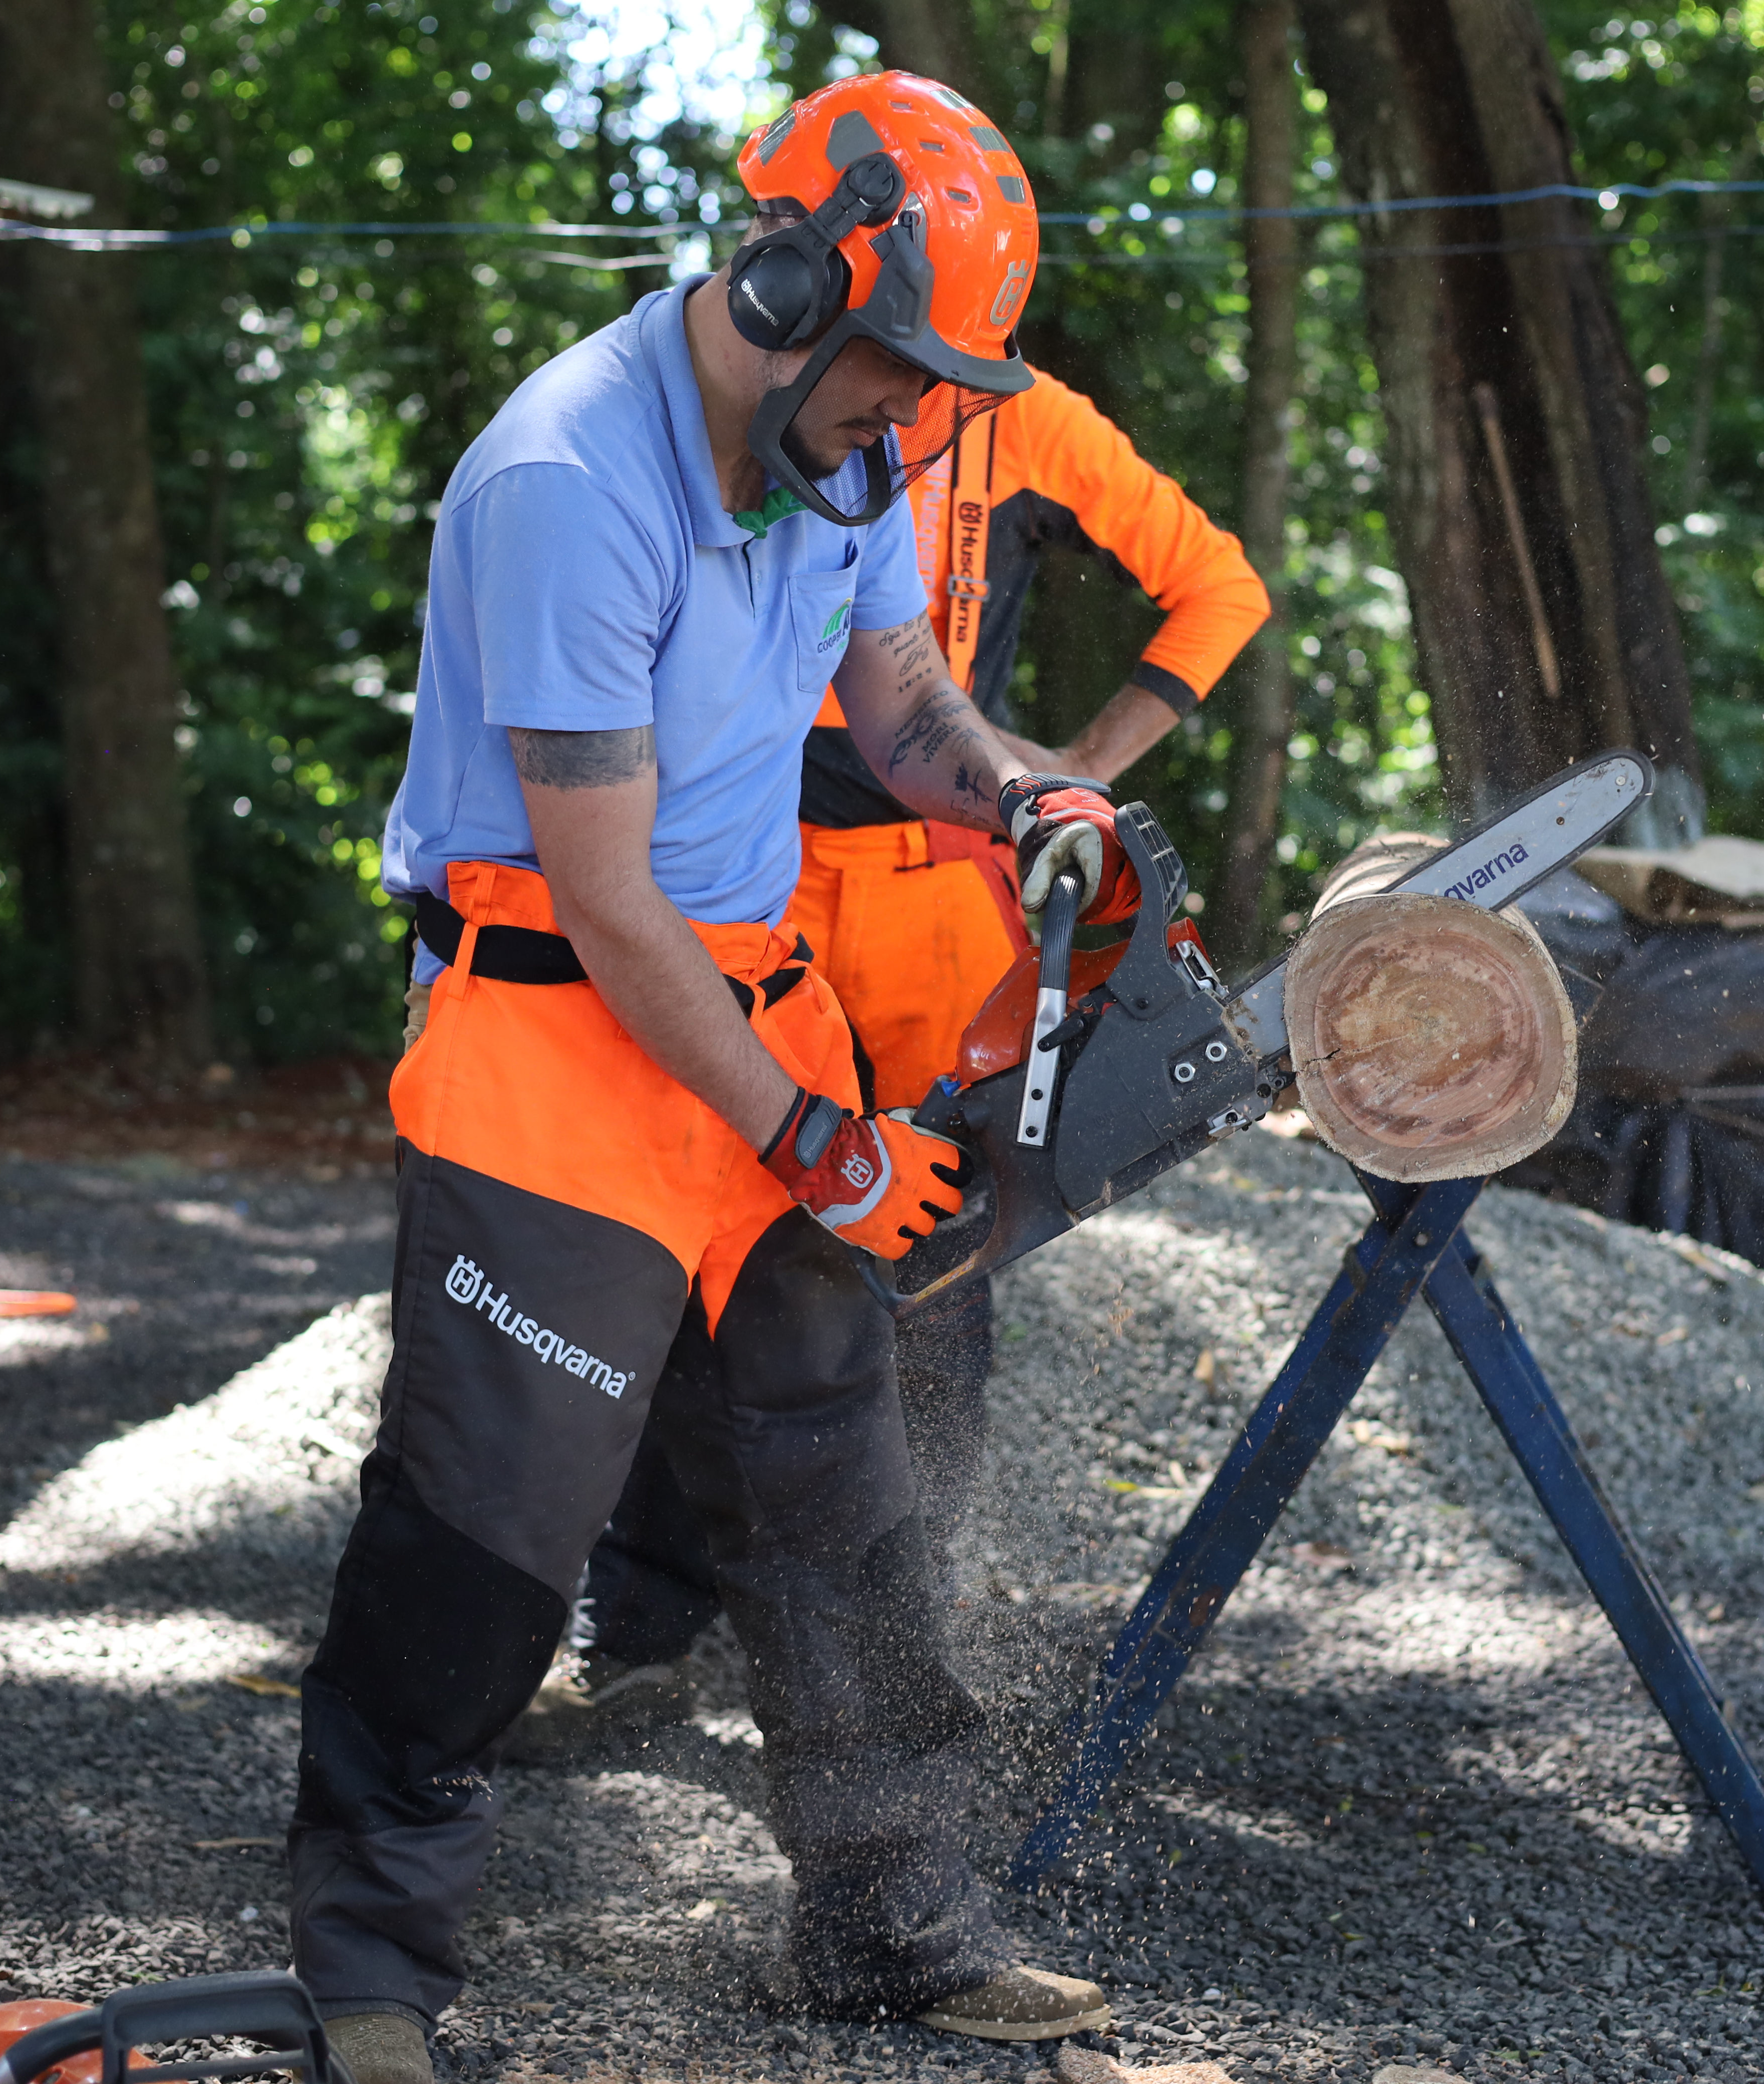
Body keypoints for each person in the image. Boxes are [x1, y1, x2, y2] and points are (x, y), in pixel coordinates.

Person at [291, 72, 1170, 2084]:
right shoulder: (565, 482)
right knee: (488, 1529)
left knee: (834, 1484)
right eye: (895, 370)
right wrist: (819, 1137)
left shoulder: (845, 464)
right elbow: (605, 899)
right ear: (787, 279)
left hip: (753, 1012)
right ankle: (368, 1964)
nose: (915, 420)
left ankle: (887, 1913)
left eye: (943, 385)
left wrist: (1027, 792)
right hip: (555, 1031)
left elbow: (905, 700)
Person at [538, 336, 1271, 1735]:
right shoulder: (744, 412)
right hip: (751, 872)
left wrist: (1073, 774)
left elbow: (1219, 588)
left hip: (941, 890)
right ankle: (636, 1623)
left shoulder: (1037, 422)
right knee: (710, 1225)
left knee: (939, 1241)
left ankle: (894, 1641)